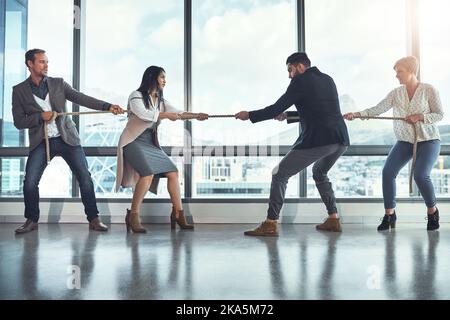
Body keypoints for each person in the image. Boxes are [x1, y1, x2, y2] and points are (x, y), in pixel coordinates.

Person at [235, 52, 350, 236]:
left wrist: (249, 115)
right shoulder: (328, 79)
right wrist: (288, 115)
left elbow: (275, 108)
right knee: (319, 173)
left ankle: (270, 223)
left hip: (319, 139)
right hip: (340, 139)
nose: (289, 75)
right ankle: (333, 219)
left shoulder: (300, 81)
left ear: (300, 67)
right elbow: (319, 110)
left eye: (290, 70)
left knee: (279, 174)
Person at [12, 48, 125, 234]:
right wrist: (41, 116)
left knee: (85, 178)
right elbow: (18, 121)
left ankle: (94, 219)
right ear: (30, 64)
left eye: (47, 61)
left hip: (67, 138)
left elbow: (81, 98)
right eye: (41, 62)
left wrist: (107, 106)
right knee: (30, 182)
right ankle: (31, 220)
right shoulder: (19, 91)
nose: (46, 65)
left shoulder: (58, 83)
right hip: (41, 141)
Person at [344, 56, 443, 231]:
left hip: (428, 140)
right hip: (405, 141)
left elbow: (439, 114)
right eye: (396, 72)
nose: (396, 76)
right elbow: (378, 109)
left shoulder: (429, 90)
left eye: (400, 72)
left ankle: (432, 212)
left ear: (412, 71)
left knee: (420, 175)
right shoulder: (396, 93)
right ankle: (390, 215)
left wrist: (421, 116)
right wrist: (357, 114)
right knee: (388, 172)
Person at [115, 66, 208, 233]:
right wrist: (165, 115)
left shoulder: (160, 100)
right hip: (133, 141)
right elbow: (144, 114)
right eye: (162, 77)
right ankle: (133, 215)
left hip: (150, 143)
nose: (165, 80)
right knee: (147, 173)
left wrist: (195, 115)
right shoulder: (135, 96)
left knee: (173, 172)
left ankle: (178, 214)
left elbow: (178, 113)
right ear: (152, 77)